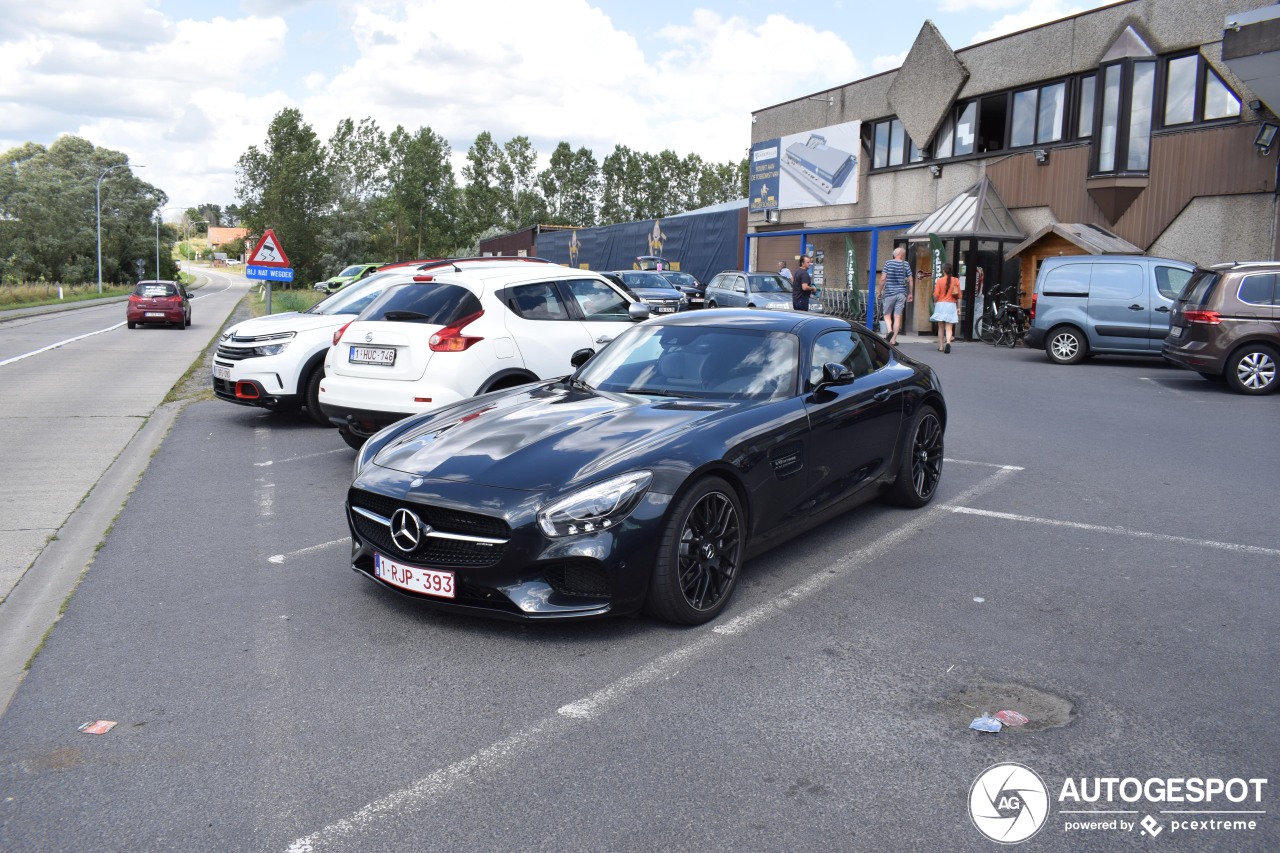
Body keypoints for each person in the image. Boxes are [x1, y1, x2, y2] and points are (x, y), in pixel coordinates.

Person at [879, 247, 913, 345]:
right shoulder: (905, 264)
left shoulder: (888, 263)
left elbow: (883, 278)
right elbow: (911, 279)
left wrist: (879, 291)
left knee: (887, 314)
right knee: (897, 316)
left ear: (895, 254)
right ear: (901, 255)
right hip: (901, 293)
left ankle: (890, 331)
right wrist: (910, 293)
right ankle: (893, 340)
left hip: (889, 293)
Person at [931, 263, 961, 353]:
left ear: (944, 271)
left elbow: (936, 294)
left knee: (941, 327)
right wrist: (959, 307)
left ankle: (941, 346)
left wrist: (935, 301)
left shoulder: (940, 281)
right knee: (949, 327)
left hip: (940, 305)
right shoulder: (956, 280)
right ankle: (948, 342)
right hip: (951, 305)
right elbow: (958, 295)